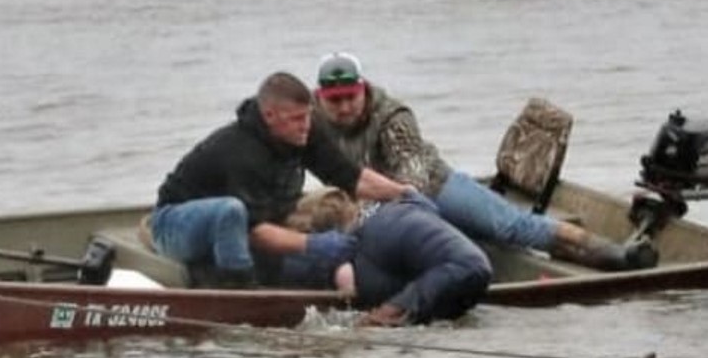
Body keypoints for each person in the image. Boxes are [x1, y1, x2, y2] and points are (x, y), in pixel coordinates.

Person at [310, 51, 656, 271]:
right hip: (375, 207)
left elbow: (411, 180)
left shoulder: (392, 117)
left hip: (433, 187)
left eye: (350, 98)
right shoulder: (308, 121)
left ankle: (611, 252)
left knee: (510, 227)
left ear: (363, 89)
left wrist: (366, 215)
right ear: (320, 97)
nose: (343, 108)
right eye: (334, 100)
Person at [150, 70, 410, 291]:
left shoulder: (304, 131)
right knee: (231, 213)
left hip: (256, 220)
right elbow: (255, 231)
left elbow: (351, 178)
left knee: (333, 208)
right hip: (175, 225)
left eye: (309, 115)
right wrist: (313, 244)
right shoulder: (239, 152)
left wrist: (403, 193)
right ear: (270, 116)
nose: (306, 125)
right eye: (297, 119)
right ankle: (236, 288)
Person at [288, 188, 492, 326]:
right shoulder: (396, 212)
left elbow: (471, 266)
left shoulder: (369, 239)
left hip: (462, 269)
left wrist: (393, 310)